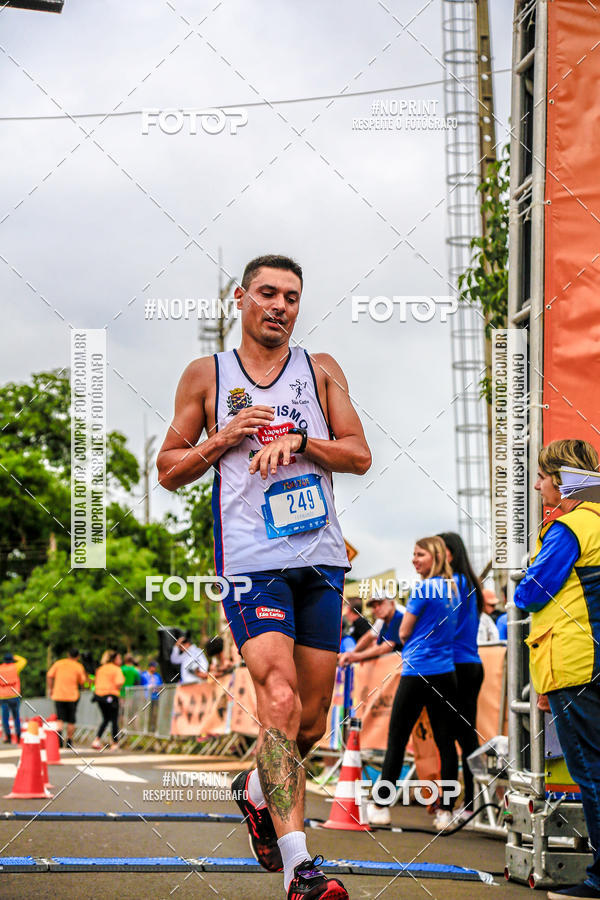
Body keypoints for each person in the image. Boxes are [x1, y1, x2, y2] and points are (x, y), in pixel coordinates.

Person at [157, 253, 370, 900]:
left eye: (291, 297)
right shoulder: (207, 374)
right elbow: (168, 470)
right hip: (252, 561)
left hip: (321, 559)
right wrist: (224, 438)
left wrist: (302, 442)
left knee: (309, 722)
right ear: (241, 298)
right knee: (278, 698)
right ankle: (299, 869)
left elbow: (359, 454)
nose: (280, 306)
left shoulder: (321, 369)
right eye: (268, 293)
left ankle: (255, 789)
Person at [514, 439, 600, 900]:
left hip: (577, 664)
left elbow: (530, 592)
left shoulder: (569, 528)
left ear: (564, 480)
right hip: (586, 661)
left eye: (544, 477)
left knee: (592, 773)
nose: (537, 485)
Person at [367, 536, 459, 830]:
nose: (414, 559)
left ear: (435, 556)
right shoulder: (454, 588)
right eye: (413, 554)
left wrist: (414, 633)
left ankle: (381, 806)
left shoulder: (423, 588)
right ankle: (446, 812)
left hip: (417, 670)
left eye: (420, 554)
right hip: (446, 671)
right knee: (445, 742)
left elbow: (404, 632)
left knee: (397, 739)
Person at [438, 531, 485, 820]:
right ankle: (468, 803)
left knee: (451, 737)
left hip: (454, 665)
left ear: (450, 554)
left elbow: (442, 625)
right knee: (465, 737)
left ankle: (457, 804)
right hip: (469, 663)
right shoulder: (469, 582)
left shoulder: (452, 584)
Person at [338, 594, 403, 665]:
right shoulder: (384, 620)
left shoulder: (398, 616)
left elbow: (386, 647)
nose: (377, 608)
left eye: (380, 604)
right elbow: (371, 640)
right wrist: (352, 654)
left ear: (392, 603)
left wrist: (356, 656)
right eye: (374, 606)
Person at [46, 648, 87, 747]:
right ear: (78, 657)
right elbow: (83, 681)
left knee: (60, 718)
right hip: (72, 696)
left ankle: (59, 739)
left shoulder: (58, 663)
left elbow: (49, 675)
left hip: (59, 695)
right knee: (71, 720)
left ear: (68, 654)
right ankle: (69, 741)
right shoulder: (78, 666)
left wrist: (51, 689)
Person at [91, 650, 125, 750]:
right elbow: (119, 682)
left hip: (99, 696)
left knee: (106, 719)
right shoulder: (116, 669)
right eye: (119, 658)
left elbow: (96, 682)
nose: (120, 660)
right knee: (114, 720)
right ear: (114, 659)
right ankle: (114, 743)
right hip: (111, 695)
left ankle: (96, 740)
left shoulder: (100, 669)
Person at [0, 651, 27, 743]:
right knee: (16, 717)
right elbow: (23, 660)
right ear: (11, 660)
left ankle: (8, 738)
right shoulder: (15, 667)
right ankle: (18, 737)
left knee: (5, 718)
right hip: (14, 695)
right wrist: (15, 656)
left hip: (3, 697)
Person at [140, 661, 163, 733]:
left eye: (155, 667)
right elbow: (140, 686)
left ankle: (152, 728)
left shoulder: (157, 676)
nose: (154, 668)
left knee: (154, 713)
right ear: (150, 667)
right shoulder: (144, 675)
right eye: (153, 667)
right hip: (146, 697)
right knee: (146, 713)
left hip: (155, 697)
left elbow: (160, 685)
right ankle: (144, 728)